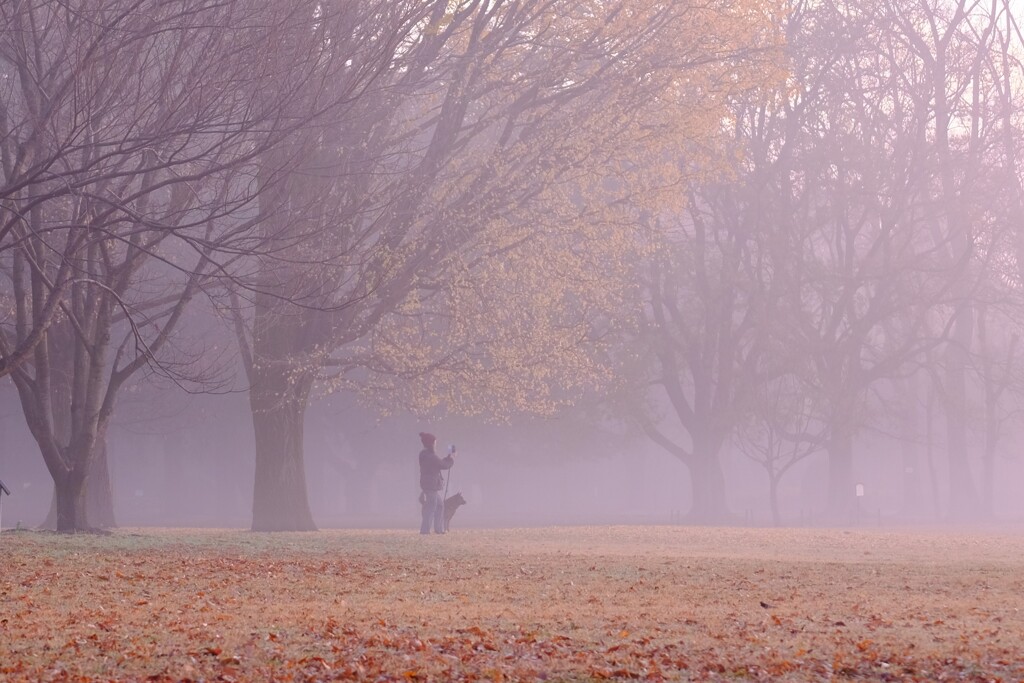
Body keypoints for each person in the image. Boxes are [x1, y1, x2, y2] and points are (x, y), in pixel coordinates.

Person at [418, 431, 455, 534]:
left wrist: (448, 459)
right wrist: (451, 460)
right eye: (435, 443)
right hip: (431, 486)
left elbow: (439, 463)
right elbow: (443, 465)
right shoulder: (431, 456)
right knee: (430, 508)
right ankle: (425, 531)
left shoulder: (424, 455)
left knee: (439, 506)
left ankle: (438, 529)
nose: (435, 445)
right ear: (431, 443)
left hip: (428, 484)